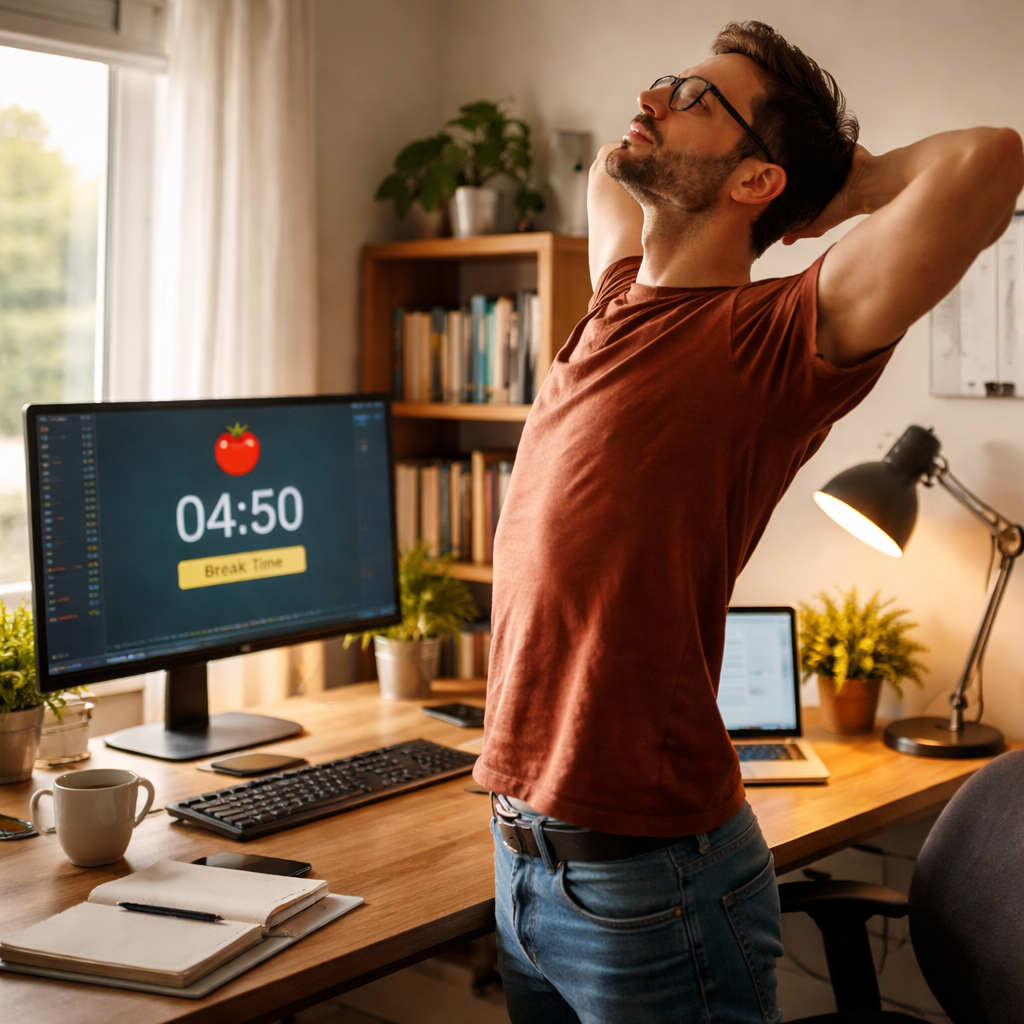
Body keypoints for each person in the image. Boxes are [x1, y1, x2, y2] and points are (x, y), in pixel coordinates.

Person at [472, 20, 1023, 1024]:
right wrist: (702, 127)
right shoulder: (612, 300)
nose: (652, 99)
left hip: (651, 887)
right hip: (522, 868)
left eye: (691, 95)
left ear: (755, 181)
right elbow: (606, 164)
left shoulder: (771, 341)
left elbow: (990, 160)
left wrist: (847, 191)